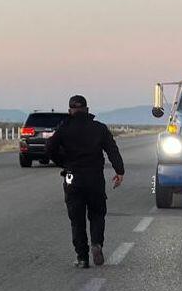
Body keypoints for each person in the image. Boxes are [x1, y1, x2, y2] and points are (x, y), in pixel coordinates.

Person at [47, 95, 125, 268]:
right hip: (94, 176)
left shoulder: (64, 128)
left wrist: (63, 163)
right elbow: (112, 150)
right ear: (87, 110)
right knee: (97, 213)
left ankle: (82, 258)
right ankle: (96, 243)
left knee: (76, 218)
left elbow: (49, 148)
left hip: (71, 176)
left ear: (70, 111)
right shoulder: (99, 128)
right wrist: (119, 171)